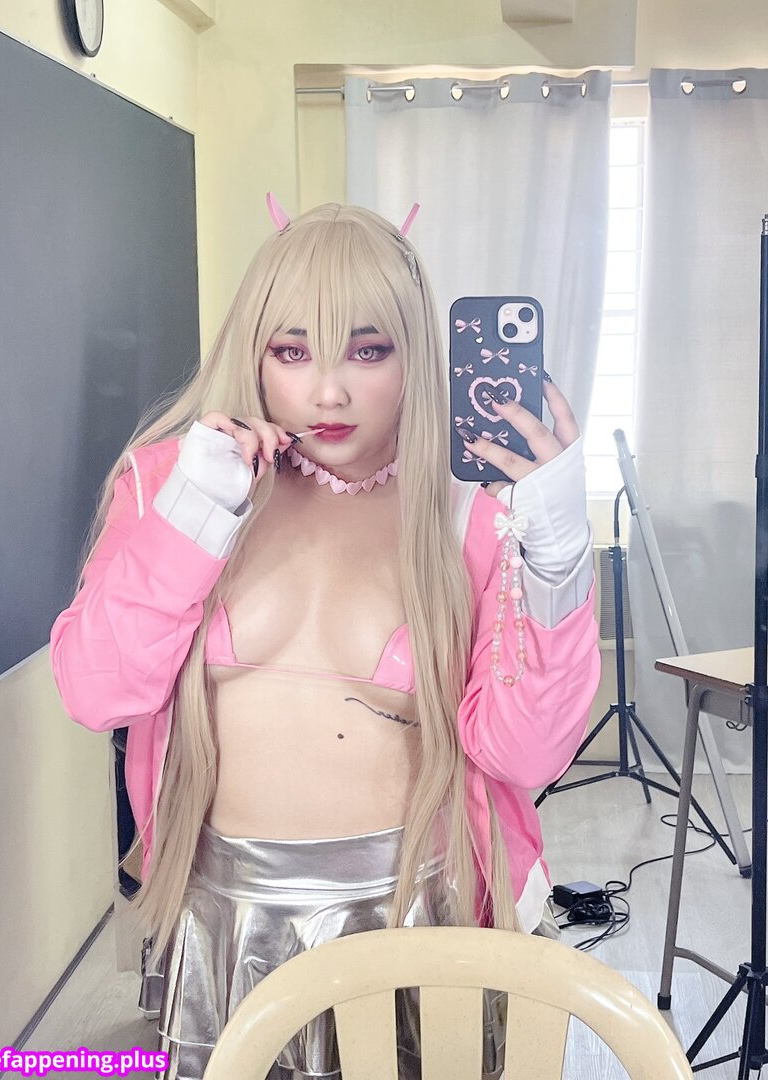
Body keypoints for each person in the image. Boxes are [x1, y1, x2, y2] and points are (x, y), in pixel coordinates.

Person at [49, 197, 601, 1080]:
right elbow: (96, 692)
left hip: (412, 915)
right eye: (293, 350)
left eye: (368, 351)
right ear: (255, 350)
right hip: (222, 914)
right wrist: (194, 514)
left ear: (415, 354)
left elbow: (525, 753)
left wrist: (560, 558)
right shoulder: (172, 484)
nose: (329, 392)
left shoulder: (469, 514)